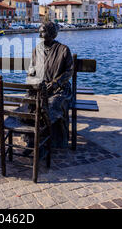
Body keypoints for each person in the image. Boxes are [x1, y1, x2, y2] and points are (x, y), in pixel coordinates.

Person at [24, 21, 74, 149]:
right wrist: (33, 81)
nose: (40, 34)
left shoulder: (63, 50)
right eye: (39, 31)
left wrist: (55, 83)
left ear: (52, 34)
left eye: (43, 31)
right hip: (41, 88)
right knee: (27, 104)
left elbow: (69, 71)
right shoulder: (37, 50)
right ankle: (32, 137)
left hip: (60, 89)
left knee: (51, 106)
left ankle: (50, 139)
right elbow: (31, 69)